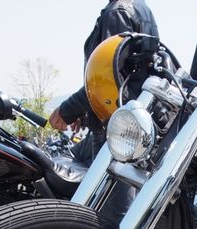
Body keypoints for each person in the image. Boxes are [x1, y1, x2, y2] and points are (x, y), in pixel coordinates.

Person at [48, 0, 159, 165]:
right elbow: (130, 73)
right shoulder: (141, 8)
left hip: (117, 129)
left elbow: (105, 79)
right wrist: (84, 110)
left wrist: (67, 110)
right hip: (134, 126)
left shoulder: (118, 12)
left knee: (107, 188)